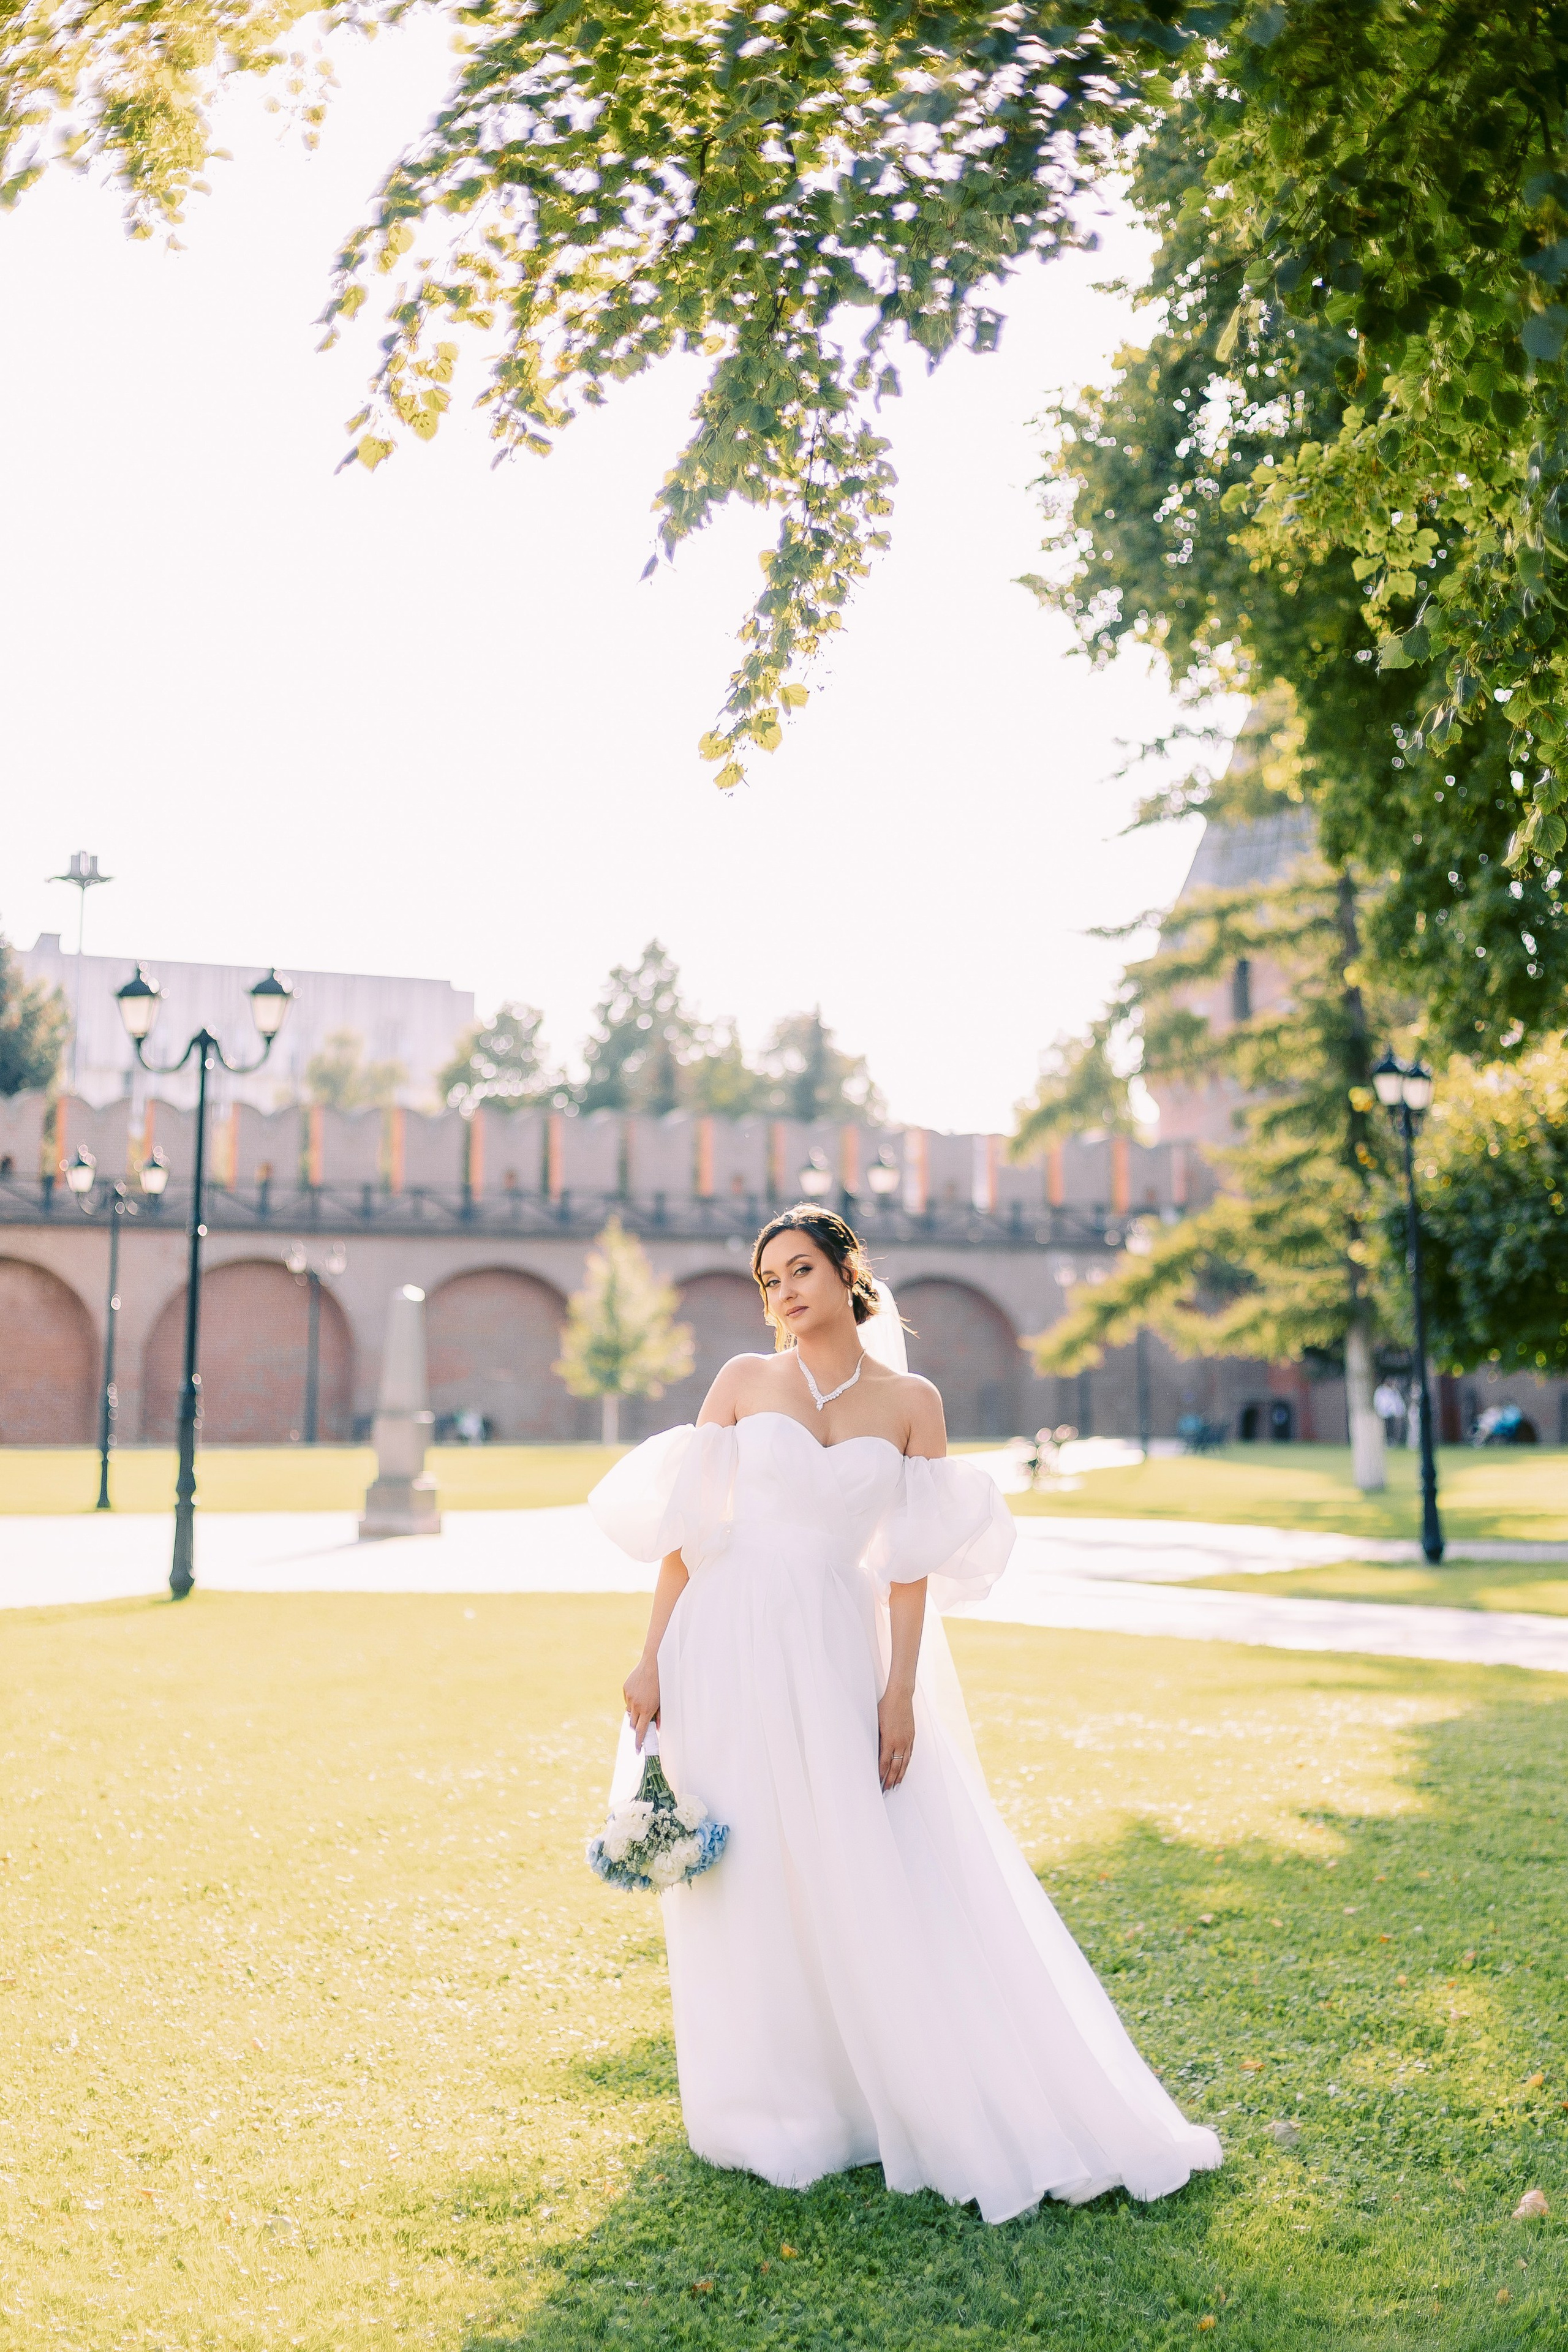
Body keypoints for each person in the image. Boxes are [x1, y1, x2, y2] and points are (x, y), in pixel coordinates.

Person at [588, 1204, 1221, 2224]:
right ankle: (768, 2104)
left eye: (800, 1270)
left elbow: (912, 1567)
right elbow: (684, 1536)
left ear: (847, 1274)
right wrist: (650, 1660)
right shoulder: (742, 1385)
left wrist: (900, 1692)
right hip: (728, 1639)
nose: (784, 1293)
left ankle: (873, 2088)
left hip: (841, 1648)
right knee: (747, 1865)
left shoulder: (913, 1401)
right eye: (768, 1281)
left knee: (854, 1851)